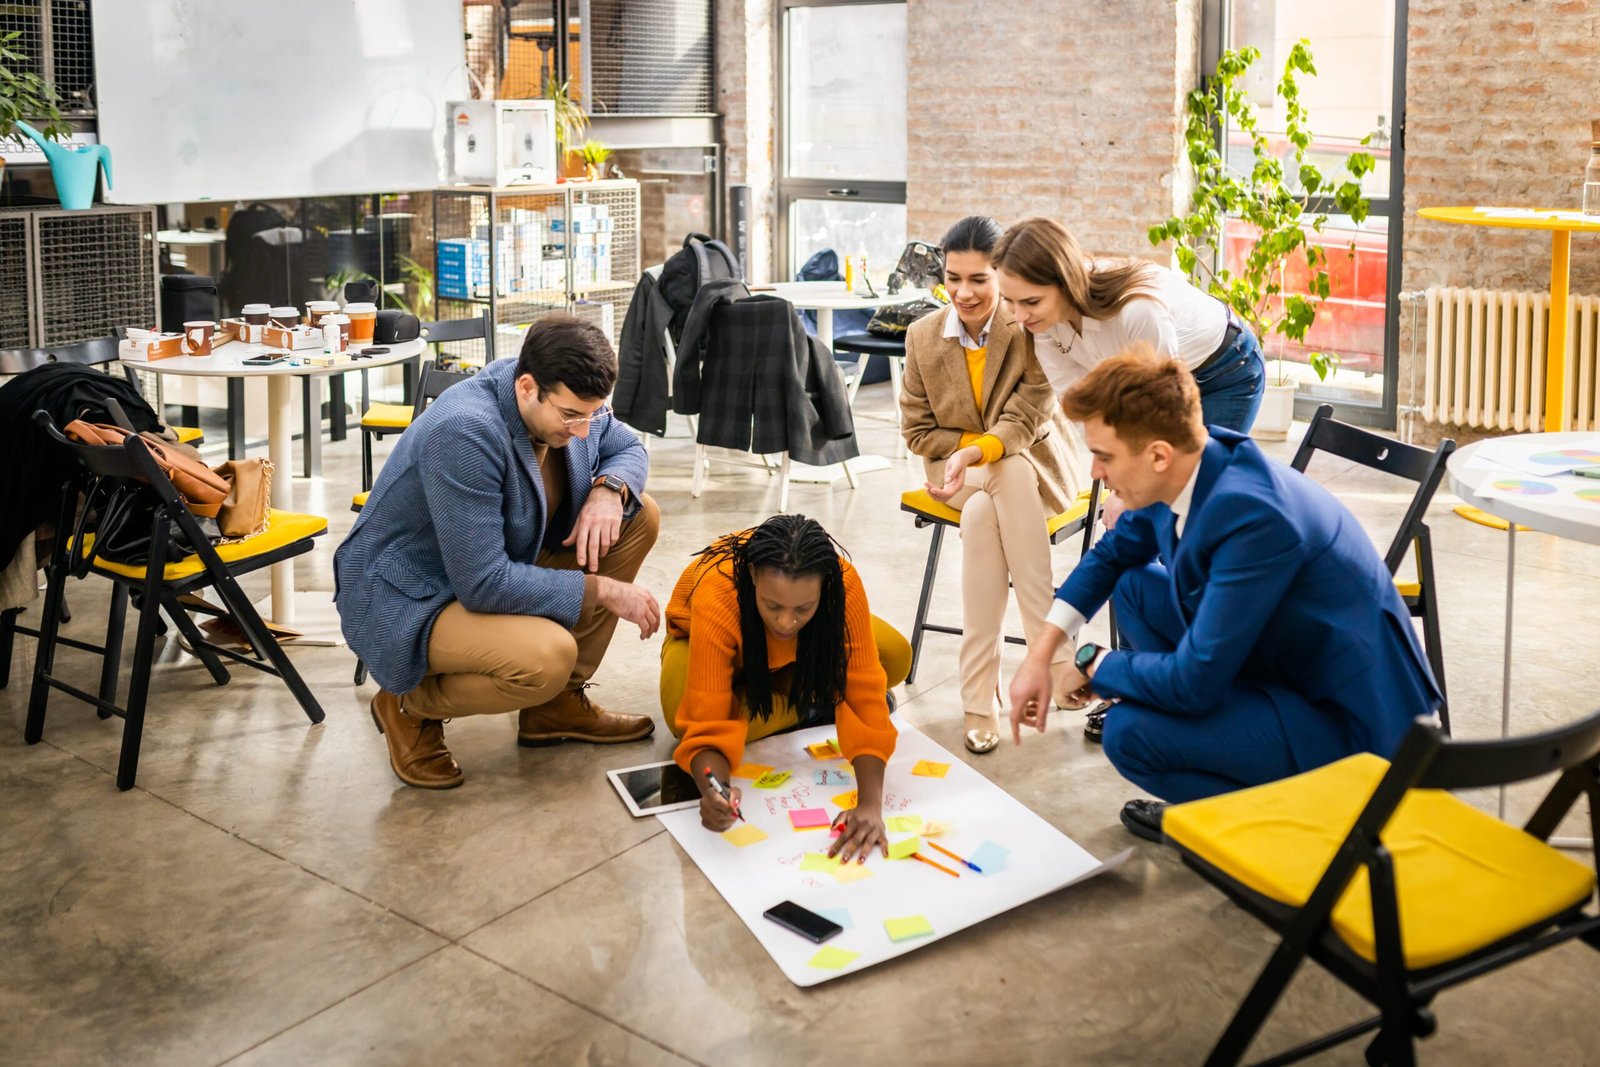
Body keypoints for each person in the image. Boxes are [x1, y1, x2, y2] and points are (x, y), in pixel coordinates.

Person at [1006, 346, 1439, 843]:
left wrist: (1091, 662)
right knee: (1133, 583)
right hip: (1278, 659)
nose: (1094, 473)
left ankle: (1278, 826)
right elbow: (1111, 556)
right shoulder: (1197, 463)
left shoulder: (1253, 517)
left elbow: (1195, 682)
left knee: (1129, 734)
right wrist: (1041, 655)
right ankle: (1210, 738)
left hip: (1348, 724)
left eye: (1103, 457)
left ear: (1157, 455)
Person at [334, 316, 663, 790]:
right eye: (571, 416)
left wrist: (609, 490)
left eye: (594, 413)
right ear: (527, 388)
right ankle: (407, 702)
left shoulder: (564, 394)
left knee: (640, 514)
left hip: (491, 564)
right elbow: (484, 583)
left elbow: (626, 444)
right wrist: (602, 590)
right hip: (412, 593)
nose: (585, 430)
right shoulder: (465, 431)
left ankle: (554, 708)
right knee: (546, 658)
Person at [899, 215, 1086, 754]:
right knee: (994, 481)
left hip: (1033, 469)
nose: (963, 292)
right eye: (953, 278)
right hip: (956, 475)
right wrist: (971, 451)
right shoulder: (922, 337)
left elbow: (1028, 417)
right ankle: (1051, 653)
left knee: (988, 506)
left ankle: (979, 702)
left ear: (1001, 276)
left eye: (979, 279)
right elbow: (917, 431)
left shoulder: (1028, 330)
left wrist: (983, 448)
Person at [662, 515, 911, 862]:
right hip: (710, 641)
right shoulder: (717, 592)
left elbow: (866, 697)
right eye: (772, 605)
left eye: (803, 608)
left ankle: (797, 691)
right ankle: (813, 705)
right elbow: (706, 725)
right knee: (680, 714)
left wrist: (870, 805)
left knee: (895, 657)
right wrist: (713, 791)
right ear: (751, 576)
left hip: (802, 650)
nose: (785, 622)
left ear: (824, 587)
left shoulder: (843, 583)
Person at [991, 217, 1266, 433]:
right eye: (1009, 301)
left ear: (1066, 281)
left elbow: (1165, 406)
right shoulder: (1040, 323)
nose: (1019, 316)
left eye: (1031, 301)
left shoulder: (1136, 310)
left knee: (1197, 487)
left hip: (1226, 371)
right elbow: (1079, 403)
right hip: (1163, 383)